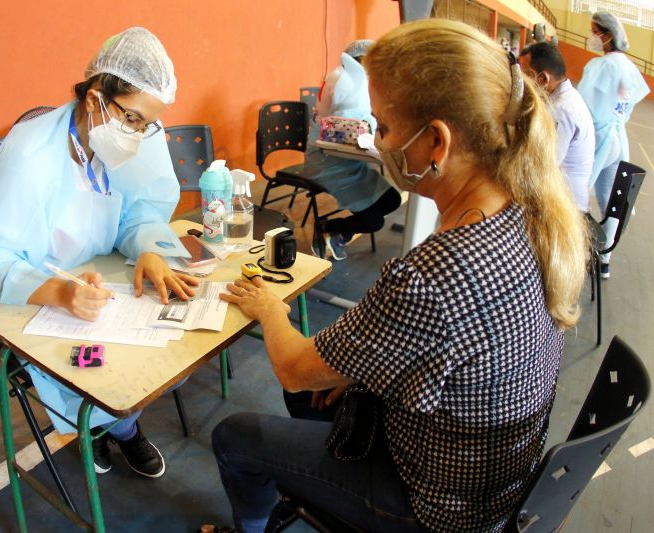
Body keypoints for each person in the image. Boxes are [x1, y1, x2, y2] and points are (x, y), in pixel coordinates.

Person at [208, 19, 587, 533]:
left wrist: (270, 309)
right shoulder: (532, 214)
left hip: (438, 508)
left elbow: (296, 368)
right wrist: (366, 375)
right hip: (498, 478)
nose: (379, 141)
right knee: (321, 392)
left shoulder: (434, 273)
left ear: (437, 141)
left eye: (383, 127)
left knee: (236, 435)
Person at [0, 27, 199, 479]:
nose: (140, 133)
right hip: (34, 295)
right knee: (103, 371)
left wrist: (148, 247)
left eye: (147, 124)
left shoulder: (127, 135)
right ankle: (107, 429)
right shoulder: (28, 153)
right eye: (133, 119)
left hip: (99, 281)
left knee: (164, 353)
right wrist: (55, 291)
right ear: (95, 99)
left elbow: (139, 210)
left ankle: (118, 425)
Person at [307, 39, 402, 261]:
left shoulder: (356, 80)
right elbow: (346, 125)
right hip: (327, 161)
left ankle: (338, 231)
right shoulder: (344, 80)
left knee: (392, 201)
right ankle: (329, 227)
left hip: (348, 159)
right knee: (374, 221)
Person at [578, 11, 649, 278]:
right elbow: (629, 99)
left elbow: (583, 105)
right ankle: (604, 259)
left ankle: (573, 254)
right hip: (618, 138)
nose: (592, 37)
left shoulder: (601, 66)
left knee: (577, 195)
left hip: (599, 140)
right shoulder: (628, 66)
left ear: (607, 35)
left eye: (594, 31)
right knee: (611, 202)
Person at [519, 42, 595, 212]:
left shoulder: (561, 110)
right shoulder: (567, 97)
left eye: (525, 74)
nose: (521, 81)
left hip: (568, 208)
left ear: (543, 79)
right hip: (563, 193)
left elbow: (545, 165)